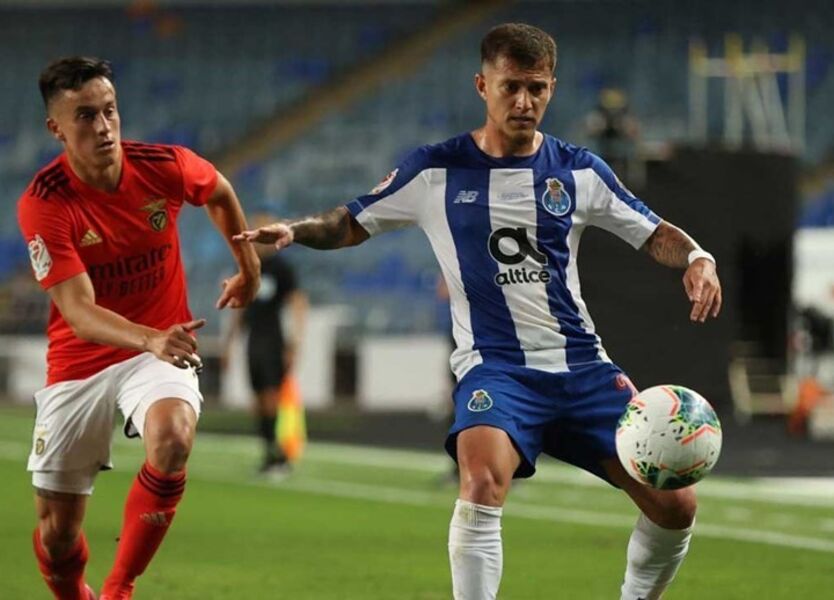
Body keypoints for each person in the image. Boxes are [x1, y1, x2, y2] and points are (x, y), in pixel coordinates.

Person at [235, 23, 722, 600]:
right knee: (482, 481)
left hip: (582, 369)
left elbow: (652, 231)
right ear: (482, 84)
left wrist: (696, 256)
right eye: (511, 86)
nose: (524, 101)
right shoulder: (435, 170)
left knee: (676, 504)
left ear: (551, 89)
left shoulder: (580, 171)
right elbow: (350, 221)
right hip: (496, 369)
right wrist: (293, 231)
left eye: (537, 88)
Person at [17, 57, 260, 599]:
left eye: (109, 111)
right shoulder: (45, 203)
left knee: (173, 439)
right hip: (81, 360)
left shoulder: (163, 165)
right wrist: (149, 336)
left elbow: (217, 190)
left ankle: (119, 588)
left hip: (159, 350)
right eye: (84, 116)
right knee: (58, 536)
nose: (103, 127)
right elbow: (79, 312)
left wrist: (249, 268)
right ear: (56, 127)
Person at [222, 211, 308, 476]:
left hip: (273, 338)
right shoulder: (247, 267)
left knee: (271, 396)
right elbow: (239, 309)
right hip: (253, 339)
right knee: (258, 398)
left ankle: (278, 456)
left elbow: (297, 303)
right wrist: (229, 344)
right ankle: (269, 452)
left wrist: (294, 342)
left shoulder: (282, 268)